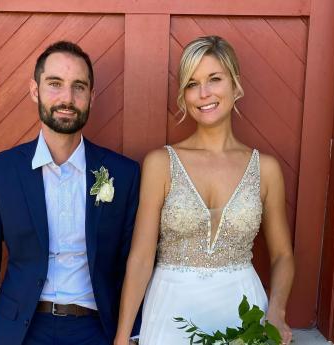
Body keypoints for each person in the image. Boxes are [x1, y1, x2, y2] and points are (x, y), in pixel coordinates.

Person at [114, 36, 295, 345]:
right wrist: (122, 337)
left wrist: (276, 311)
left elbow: (282, 255)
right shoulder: (161, 164)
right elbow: (142, 257)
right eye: (192, 84)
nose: (204, 93)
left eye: (214, 79)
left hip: (243, 312)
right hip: (172, 310)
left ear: (236, 86)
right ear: (183, 97)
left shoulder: (266, 169)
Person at [0, 41, 141, 345]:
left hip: (96, 329)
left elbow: (133, 262)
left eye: (79, 87)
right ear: (35, 90)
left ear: (91, 97)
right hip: (21, 330)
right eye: (55, 84)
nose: (67, 98)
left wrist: (131, 335)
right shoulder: (0, 172)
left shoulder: (122, 174)